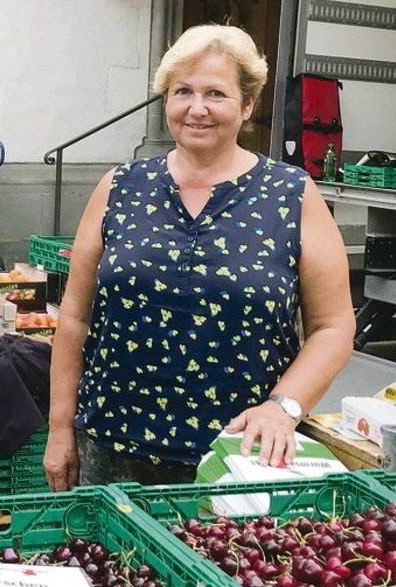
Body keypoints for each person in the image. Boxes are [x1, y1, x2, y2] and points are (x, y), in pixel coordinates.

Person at [44, 24, 355, 489]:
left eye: (216, 93)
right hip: (111, 451)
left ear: (248, 104)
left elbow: (333, 326)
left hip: (239, 459)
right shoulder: (120, 187)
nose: (197, 108)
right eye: (182, 91)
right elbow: (75, 319)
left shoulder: (291, 194)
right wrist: (59, 428)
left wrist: (283, 407)